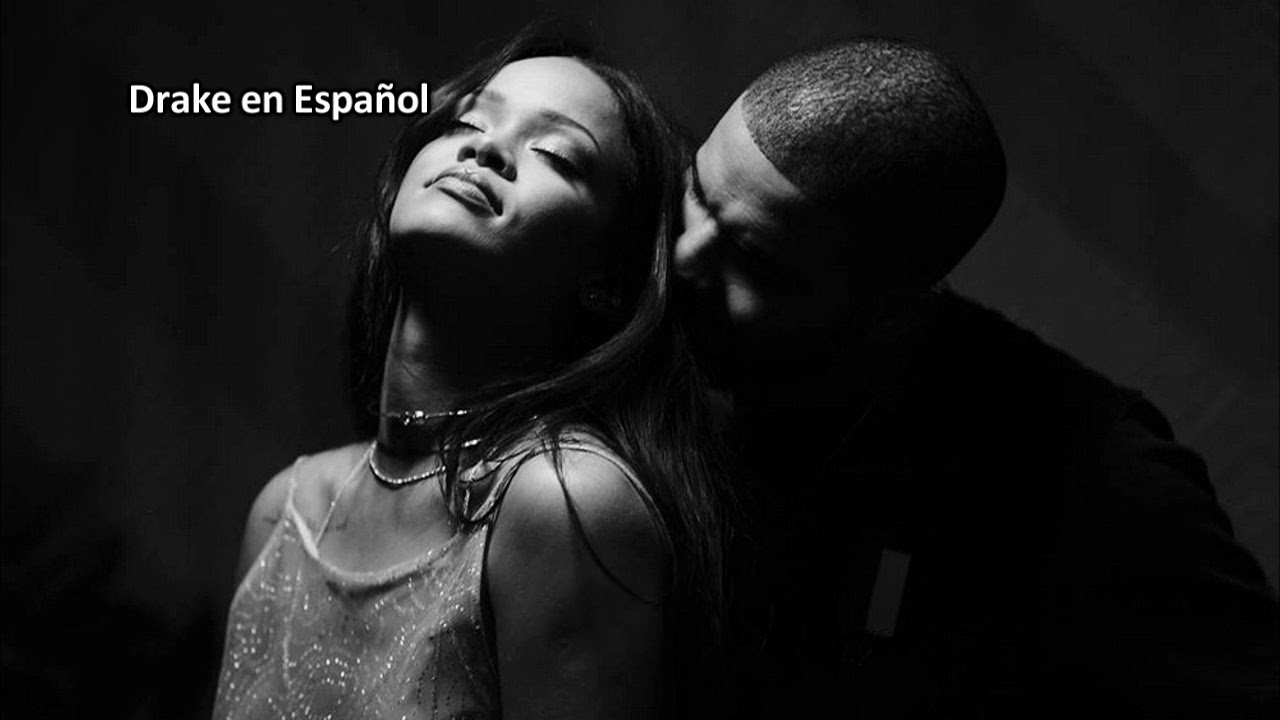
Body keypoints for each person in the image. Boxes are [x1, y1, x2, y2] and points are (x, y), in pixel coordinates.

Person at [675, 38, 1279, 717]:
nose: (683, 258)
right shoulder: (666, 305)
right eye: (696, 190)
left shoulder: (1103, 486)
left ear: (891, 305)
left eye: (757, 261)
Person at [214, 33, 735, 719]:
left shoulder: (564, 501)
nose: (485, 150)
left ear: (609, 279)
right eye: (466, 123)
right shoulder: (284, 511)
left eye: (556, 154)